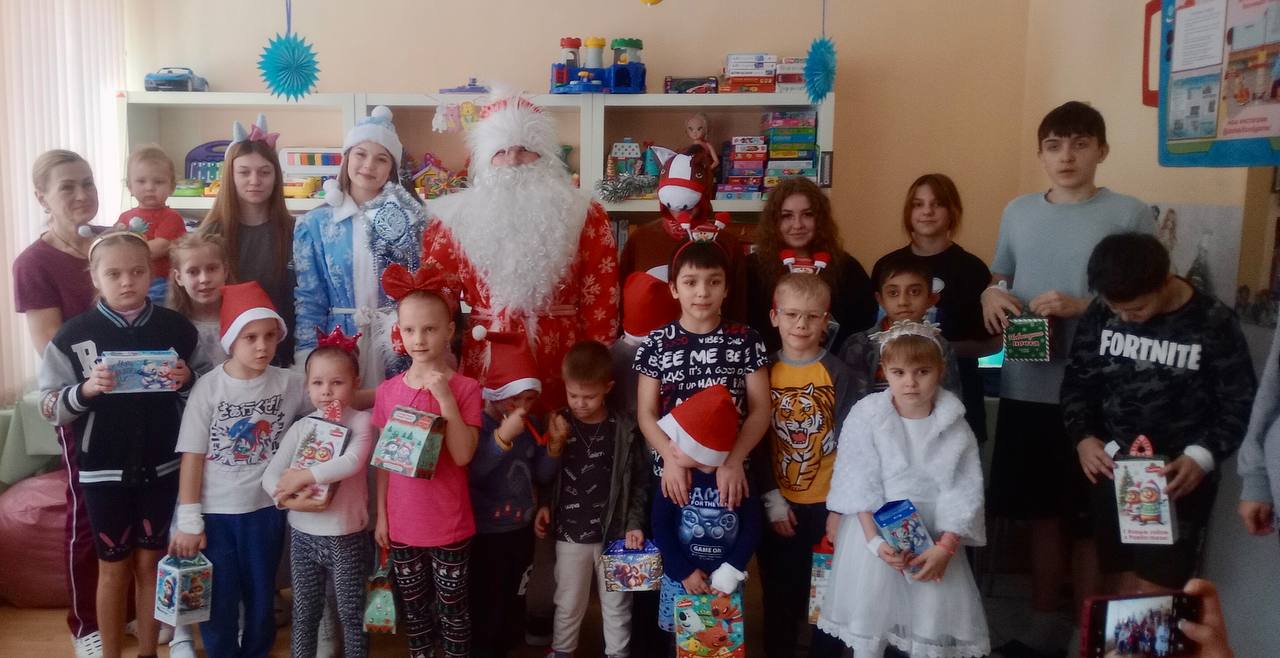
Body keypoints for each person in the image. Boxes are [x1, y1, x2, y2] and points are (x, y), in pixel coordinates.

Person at [980, 101, 1151, 658]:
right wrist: (991, 294)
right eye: (1054, 146)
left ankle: (1086, 635)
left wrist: (1084, 305)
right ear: (1041, 154)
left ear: (1102, 150)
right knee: (1041, 514)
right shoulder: (1019, 211)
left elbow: (1149, 298)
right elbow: (1001, 273)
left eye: (1079, 144)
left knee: (1091, 520)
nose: (1067, 156)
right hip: (1028, 381)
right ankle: (1042, 628)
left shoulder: (1130, 213)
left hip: (1102, 390)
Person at [1062, 233, 1255, 593]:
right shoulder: (1101, 312)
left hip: (1176, 475)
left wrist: (1202, 457)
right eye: (1117, 309)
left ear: (1165, 282)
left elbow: (1239, 402)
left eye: (1136, 309)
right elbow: (1078, 384)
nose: (1126, 318)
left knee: (1157, 590)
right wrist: (1083, 438)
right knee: (1115, 580)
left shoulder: (1212, 321)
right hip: (1112, 465)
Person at [37, 231, 197, 658]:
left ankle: (147, 651)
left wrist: (188, 380)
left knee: (150, 563)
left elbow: (207, 394)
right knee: (112, 568)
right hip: (102, 472)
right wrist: (85, 390)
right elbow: (49, 405)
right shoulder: (73, 335)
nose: (127, 281)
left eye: (137, 271)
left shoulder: (176, 329)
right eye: (114, 274)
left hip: (162, 468)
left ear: (152, 273)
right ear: (95, 277)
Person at [422, 91, 619, 413]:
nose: (513, 161)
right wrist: (427, 347)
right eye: (500, 152)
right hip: (487, 349)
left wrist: (596, 364)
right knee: (490, 438)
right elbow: (436, 291)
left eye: (524, 150)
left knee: (557, 435)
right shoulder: (455, 218)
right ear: (485, 160)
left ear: (545, 156)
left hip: (562, 358)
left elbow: (601, 293)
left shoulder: (584, 212)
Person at [818, 321, 988, 657]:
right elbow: (858, 479)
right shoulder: (866, 415)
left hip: (935, 539)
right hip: (874, 534)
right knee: (870, 623)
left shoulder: (955, 424)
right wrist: (875, 542)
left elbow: (964, 489)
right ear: (885, 371)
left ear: (940, 370)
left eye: (922, 371)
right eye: (899, 372)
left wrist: (945, 547)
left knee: (929, 623)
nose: (910, 382)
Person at [169, 281, 307, 658]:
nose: (262, 346)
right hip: (216, 514)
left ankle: (257, 651)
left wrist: (391, 394)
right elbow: (192, 456)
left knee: (262, 594)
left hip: (264, 511)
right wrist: (189, 519)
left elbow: (335, 394)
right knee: (219, 597)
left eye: (270, 336)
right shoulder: (209, 388)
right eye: (250, 337)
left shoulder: (289, 383)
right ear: (231, 340)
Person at [12, 149, 102, 657]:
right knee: (85, 517)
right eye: (67, 186)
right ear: (42, 197)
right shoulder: (33, 263)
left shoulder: (113, 241)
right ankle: (86, 624)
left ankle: (127, 609)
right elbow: (51, 347)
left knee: (136, 512)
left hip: (137, 402)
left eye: (87, 182)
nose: (82, 194)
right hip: (83, 407)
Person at [372, 264, 481, 658]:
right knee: (415, 613)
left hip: (449, 523)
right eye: (410, 330)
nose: (418, 339)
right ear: (399, 333)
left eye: (430, 329)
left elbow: (463, 454)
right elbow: (384, 462)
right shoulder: (387, 392)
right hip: (403, 524)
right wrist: (382, 517)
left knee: (453, 611)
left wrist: (445, 397)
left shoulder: (466, 388)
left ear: (449, 330)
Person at [754, 273, 852, 658]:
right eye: (792, 314)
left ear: (826, 320)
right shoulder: (762, 370)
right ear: (774, 316)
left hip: (827, 506)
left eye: (812, 316)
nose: (801, 324)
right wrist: (771, 499)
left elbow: (852, 445)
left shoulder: (839, 373)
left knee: (826, 600)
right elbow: (756, 442)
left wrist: (839, 508)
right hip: (779, 502)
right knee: (779, 596)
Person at [293, 105, 425, 390]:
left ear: (391, 169)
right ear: (347, 158)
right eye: (361, 154)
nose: (369, 165)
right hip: (338, 343)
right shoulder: (315, 225)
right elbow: (309, 299)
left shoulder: (408, 222)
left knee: (395, 410)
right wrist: (307, 354)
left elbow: (419, 290)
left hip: (395, 343)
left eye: (381, 159)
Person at [261, 331, 375, 658]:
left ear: (355, 383)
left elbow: (352, 462)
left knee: (352, 613)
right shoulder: (302, 427)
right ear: (307, 387)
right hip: (302, 533)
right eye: (318, 383)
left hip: (345, 533)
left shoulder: (362, 422)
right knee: (306, 612)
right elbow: (270, 475)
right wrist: (287, 498)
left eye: (337, 382)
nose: (326, 391)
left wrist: (304, 476)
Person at [534, 340, 649, 658]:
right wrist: (544, 504)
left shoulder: (624, 428)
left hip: (617, 535)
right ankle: (562, 650)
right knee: (568, 600)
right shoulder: (559, 421)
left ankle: (618, 653)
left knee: (618, 603)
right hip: (570, 533)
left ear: (608, 388)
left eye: (589, 396)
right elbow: (546, 473)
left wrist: (634, 523)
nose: (580, 404)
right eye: (573, 395)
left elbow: (638, 482)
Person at [876, 173, 998, 439]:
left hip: (961, 394)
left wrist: (935, 351)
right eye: (918, 204)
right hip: (895, 408)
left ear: (952, 210)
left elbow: (994, 343)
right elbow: (872, 336)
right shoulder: (887, 266)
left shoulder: (973, 269)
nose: (927, 211)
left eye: (937, 204)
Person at [466, 329, 561, 658]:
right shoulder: (479, 424)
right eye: (513, 398)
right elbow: (474, 473)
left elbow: (541, 475)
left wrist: (554, 448)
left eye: (529, 399)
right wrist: (501, 439)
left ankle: (508, 642)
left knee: (515, 591)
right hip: (486, 532)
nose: (522, 407)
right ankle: (484, 647)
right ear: (495, 393)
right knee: (486, 595)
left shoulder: (531, 425)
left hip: (521, 529)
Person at [649, 385, 762, 646]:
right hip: (682, 580)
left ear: (701, 449)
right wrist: (683, 571)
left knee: (722, 643)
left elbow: (752, 528)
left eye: (678, 440)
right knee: (682, 644)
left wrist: (732, 569)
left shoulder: (738, 482)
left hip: (725, 584)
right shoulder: (675, 479)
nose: (669, 446)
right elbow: (660, 526)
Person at [199, 114, 296, 366]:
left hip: (283, 356)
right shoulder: (209, 235)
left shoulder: (296, 232)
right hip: (225, 358)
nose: (255, 181)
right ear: (230, 176)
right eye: (244, 172)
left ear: (276, 176)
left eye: (264, 172)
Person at [746, 176, 876, 353]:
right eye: (787, 216)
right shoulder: (752, 268)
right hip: (767, 365)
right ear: (774, 221)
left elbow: (861, 329)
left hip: (830, 367)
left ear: (820, 219)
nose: (797, 225)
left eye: (807, 214)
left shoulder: (846, 267)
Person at [842, 252, 961, 401]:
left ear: (931, 299)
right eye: (893, 293)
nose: (903, 301)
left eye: (914, 292)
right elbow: (850, 402)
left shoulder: (941, 346)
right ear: (880, 299)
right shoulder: (858, 345)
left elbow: (950, 401)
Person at [115, 144, 186, 304]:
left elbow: (160, 247)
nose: (149, 188)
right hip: (127, 279)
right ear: (130, 186)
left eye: (158, 182)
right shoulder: (124, 217)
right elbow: (113, 246)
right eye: (141, 181)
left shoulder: (172, 217)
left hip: (159, 281)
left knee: (157, 305)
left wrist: (125, 252)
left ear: (172, 187)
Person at [166, 232, 230, 376]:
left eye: (212, 269)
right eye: (193, 272)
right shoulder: (170, 326)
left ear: (225, 271)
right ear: (179, 277)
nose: (204, 279)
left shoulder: (245, 319)